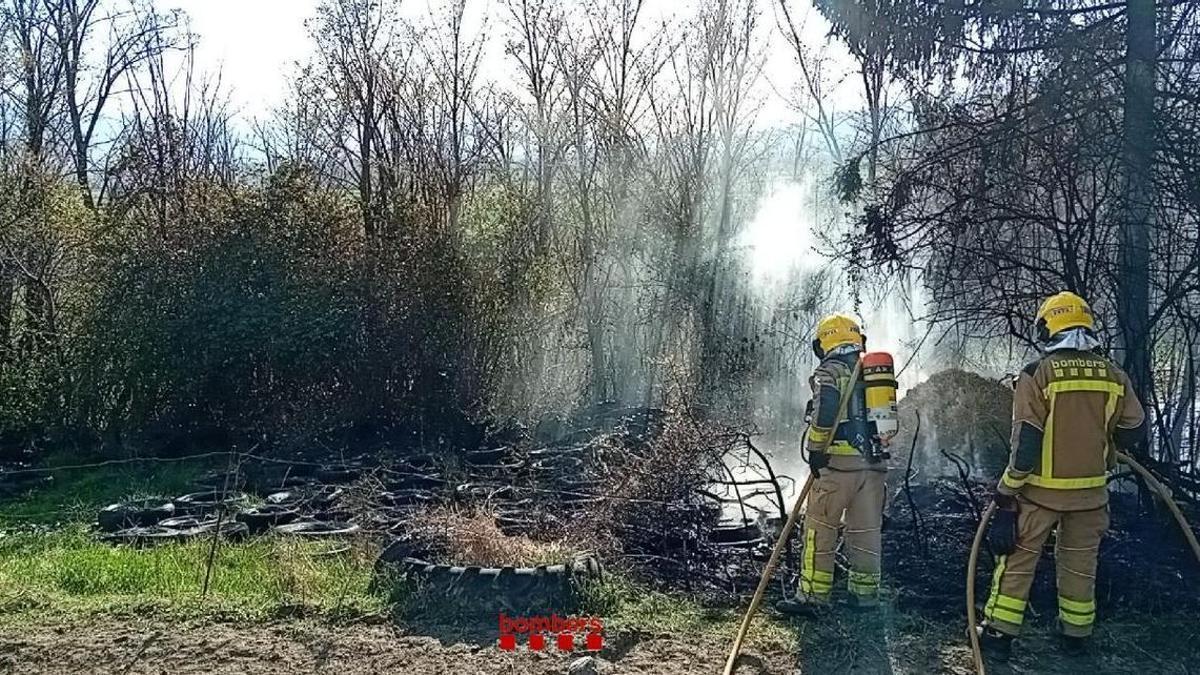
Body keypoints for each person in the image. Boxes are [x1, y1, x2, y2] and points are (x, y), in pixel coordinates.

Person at [978, 291, 1145, 655]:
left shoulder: (1038, 374)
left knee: (1018, 561)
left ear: (1049, 328)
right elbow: (1134, 429)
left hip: (1040, 494)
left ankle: (998, 636)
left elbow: (1026, 444)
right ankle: (1076, 635)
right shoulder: (1114, 375)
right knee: (1080, 564)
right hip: (1091, 496)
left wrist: (1007, 490)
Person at [776, 313, 888, 615]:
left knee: (819, 530)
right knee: (866, 533)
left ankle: (812, 597)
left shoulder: (831, 370)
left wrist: (815, 449)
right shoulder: (874, 373)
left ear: (825, 342)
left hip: (837, 467)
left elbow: (825, 411)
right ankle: (864, 598)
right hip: (873, 468)